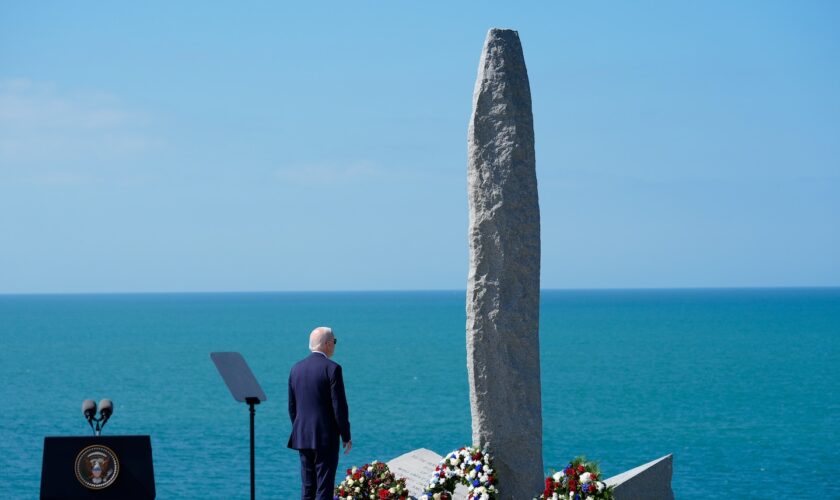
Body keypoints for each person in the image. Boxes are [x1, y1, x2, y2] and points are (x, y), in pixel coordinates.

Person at [287, 326, 352, 500]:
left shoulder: (296, 369)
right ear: (328, 344)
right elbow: (339, 406)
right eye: (335, 341)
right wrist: (345, 435)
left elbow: (292, 407)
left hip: (302, 435)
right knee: (324, 486)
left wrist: (299, 427)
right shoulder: (332, 368)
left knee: (308, 487)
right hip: (325, 437)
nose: (335, 345)